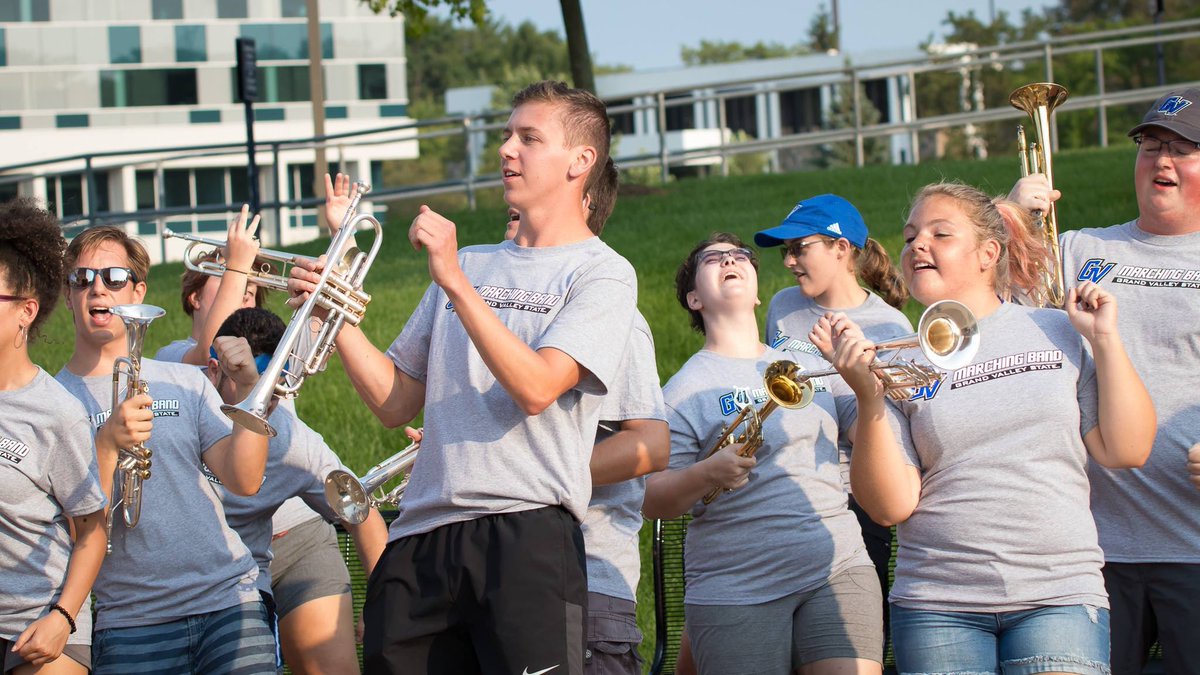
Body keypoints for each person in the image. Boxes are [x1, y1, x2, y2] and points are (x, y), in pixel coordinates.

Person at [288, 80, 638, 674]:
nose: (506, 149)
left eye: (529, 138)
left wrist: (453, 279)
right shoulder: (473, 261)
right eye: (507, 134)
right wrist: (333, 312)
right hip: (420, 536)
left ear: (581, 161)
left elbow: (536, 388)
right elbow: (396, 401)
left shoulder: (603, 274)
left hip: (525, 532)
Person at [837, 182, 1155, 674]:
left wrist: (1106, 340)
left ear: (988, 253)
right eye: (910, 236)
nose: (917, 245)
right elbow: (889, 506)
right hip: (936, 606)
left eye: (940, 234)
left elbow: (1127, 448)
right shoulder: (894, 361)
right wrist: (868, 397)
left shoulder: (1057, 330)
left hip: (1060, 595)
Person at [1012, 87, 1200, 673]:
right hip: (1091, 551)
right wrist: (1009, 216)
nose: (1160, 160)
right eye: (1150, 144)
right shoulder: (1078, 248)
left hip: (1193, 547)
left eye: (1183, 148)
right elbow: (980, 303)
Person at [642, 233, 883, 675]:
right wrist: (706, 474)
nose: (729, 260)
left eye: (739, 257)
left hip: (836, 563)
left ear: (757, 291)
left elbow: (867, 435)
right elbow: (652, 498)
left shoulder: (805, 366)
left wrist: (860, 378)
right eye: (713, 259)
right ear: (694, 298)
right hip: (736, 582)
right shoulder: (680, 391)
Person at [55, 225, 275, 674]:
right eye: (82, 278)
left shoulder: (185, 380)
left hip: (228, 599)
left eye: (114, 277)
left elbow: (245, 480)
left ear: (138, 291)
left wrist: (251, 391)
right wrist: (106, 446)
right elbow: (73, 534)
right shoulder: (51, 403)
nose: (98, 288)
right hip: (131, 619)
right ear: (67, 294)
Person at [753, 194, 910, 647]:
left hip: (852, 502)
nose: (788, 261)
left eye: (799, 248)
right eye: (786, 251)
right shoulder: (783, 308)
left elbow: (884, 434)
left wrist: (855, 378)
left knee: (844, 644)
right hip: (784, 492)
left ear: (841, 248)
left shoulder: (888, 326)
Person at [204, 307, 389, 674]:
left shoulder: (294, 441)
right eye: (249, 385)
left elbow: (361, 513)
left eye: (275, 391)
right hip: (205, 564)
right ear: (214, 371)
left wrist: (382, 603)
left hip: (289, 546)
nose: (264, 404)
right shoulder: (179, 403)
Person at [0, 198, 107, 675]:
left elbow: (91, 531)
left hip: (37, 632)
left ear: (26, 311)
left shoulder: (57, 412)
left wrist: (62, 619)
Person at [155, 205, 264, 364]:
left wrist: (313, 309)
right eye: (226, 279)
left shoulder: (264, 358)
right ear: (196, 297)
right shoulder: (170, 355)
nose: (242, 293)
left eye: (251, 292)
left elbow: (295, 367)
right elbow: (210, 353)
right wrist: (236, 268)